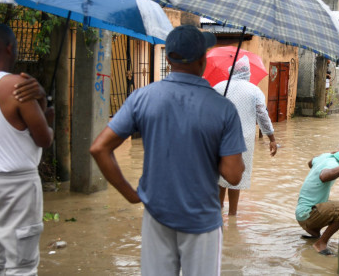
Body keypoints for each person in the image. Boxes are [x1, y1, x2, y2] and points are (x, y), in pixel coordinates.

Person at [90, 25, 245, 276]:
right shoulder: (223, 108)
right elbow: (234, 175)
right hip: (202, 222)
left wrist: (131, 194)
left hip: (156, 217)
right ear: (202, 59)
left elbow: (99, 148)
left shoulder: (142, 97)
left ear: (170, 58)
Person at [0, 22, 54, 276]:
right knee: (22, 265)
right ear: (9, 47)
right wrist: (49, 112)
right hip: (18, 186)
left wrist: (40, 95)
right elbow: (44, 139)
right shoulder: (15, 86)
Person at [214, 55, 277, 216]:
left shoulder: (219, 87)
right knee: (237, 175)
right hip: (243, 140)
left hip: (219, 138)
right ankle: (232, 215)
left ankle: (218, 208)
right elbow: (262, 116)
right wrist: (271, 138)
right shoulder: (254, 90)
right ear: (247, 72)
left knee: (220, 173)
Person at [295, 141, 339, 256]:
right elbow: (324, 176)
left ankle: (315, 234)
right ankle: (320, 243)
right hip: (308, 215)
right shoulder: (334, 165)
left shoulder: (325, 156)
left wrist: (332, 154)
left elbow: (310, 163)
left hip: (301, 215)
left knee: (331, 205)